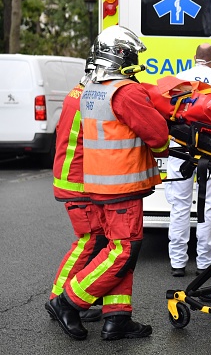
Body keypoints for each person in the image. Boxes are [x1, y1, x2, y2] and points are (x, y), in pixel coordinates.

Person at [45, 25, 170, 341]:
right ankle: (68, 301)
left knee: (121, 249)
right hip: (120, 185)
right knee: (123, 251)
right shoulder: (125, 91)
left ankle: (117, 318)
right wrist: (161, 150)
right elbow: (157, 136)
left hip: (104, 184)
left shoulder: (93, 89)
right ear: (122, 56)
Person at [46, 55, 105, 324]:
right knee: (87, 241)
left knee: (90, 240)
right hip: (78, 181)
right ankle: (57, 299)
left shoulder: (77, 91)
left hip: (73, 176)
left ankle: (69, 300)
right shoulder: (89, 97)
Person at [165, 43, 211, 282]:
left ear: (194, 59)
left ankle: (177, 262)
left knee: (179, 206)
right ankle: (205, 262)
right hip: (210, 151)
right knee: (208, 207)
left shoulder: (180, 80)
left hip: (180, 149)